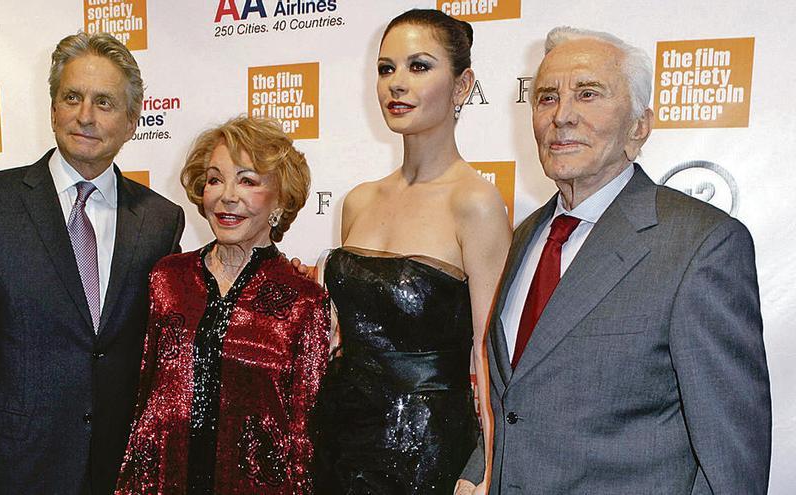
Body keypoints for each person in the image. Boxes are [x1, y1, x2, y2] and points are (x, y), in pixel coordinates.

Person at [458, 26, 771, 494]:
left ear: (638, 127)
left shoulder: (701, 246)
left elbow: (732, 463)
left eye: (588, 94)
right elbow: (517, 398)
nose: (563, 116)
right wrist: (475, 472)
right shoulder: (525, 236)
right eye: (546, 98)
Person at [0, 32, 185, 495]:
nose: (85, 116)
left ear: (132, 121)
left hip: (121, 471)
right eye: (72, 97)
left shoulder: (160, 220)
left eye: (105, 103)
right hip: (12, 470)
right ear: (53, 108)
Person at [313, 9, 512, 495]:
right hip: (338, 439)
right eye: (386, 69)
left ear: (463, 87)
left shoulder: (476, 204)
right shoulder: (359, 200)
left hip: (424, 449)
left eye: (419, 67)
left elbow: (492, 356)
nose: (396, 84)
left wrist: (486, 464)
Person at [114, 116, 329, 494]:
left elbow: (305, 436)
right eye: (215, 179)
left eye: (247, 180)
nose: (227, 195)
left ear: (281, 198)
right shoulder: (167, 278)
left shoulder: (303, 300)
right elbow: (141, 402)